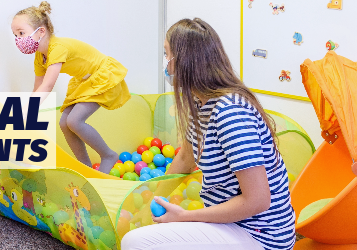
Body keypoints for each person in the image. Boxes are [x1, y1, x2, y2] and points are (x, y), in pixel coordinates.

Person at [121, 18, 295, 250]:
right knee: (144, 235)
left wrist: (185, 216)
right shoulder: (200, 102)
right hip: (230, 224)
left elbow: (258, 200)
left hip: (260, 235)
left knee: (135, 243)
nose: (166, 65)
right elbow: (185, 157)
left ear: (185, 61)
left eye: (167, 55)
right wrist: (153, 201)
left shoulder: (230, 112)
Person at [12, 1, 131, 174]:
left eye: (21, 33)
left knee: (74, 120)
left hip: (101, 76)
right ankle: (85, 167)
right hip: (84, 81)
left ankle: (108, 155)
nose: (18, 40)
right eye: (15, 35)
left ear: (41, 32)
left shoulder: (57, 48)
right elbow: (37, 88)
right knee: (64, 123)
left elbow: (47, 85)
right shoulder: (40, 57)